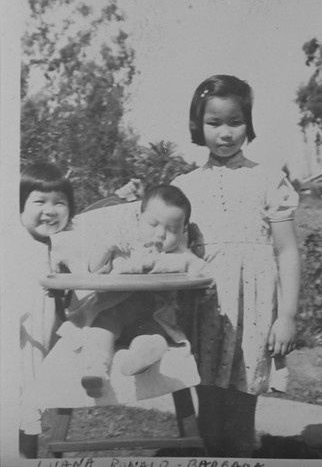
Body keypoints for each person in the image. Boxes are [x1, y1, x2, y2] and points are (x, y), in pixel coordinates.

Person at [171, 74, 301, 457]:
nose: (225, 133)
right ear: (198, 125)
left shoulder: (268, 180)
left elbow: (287, 251)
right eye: (214, 123)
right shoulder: (185, 185)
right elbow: (168, 248)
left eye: (235, 122)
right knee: (208, 412)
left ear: (249, 123)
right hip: (205, 310)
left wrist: (288, 316)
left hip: (255, 312)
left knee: (243, 417)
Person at [60, 184, 207, 398]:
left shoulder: (180, 254)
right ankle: (96, 371)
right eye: (153, 224)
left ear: (184, 230)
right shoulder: (124, 245)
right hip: (112, 309)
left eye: (172, 229)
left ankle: (139, 358)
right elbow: (92, 269)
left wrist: (180, 264)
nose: (160, 234)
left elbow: (201, 271)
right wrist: (107, 248)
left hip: (152, 316)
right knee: (98, 331)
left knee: (153, 337)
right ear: (139, 218)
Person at [18, 161, 75, 458]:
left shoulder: (62, 246)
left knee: (32, 412)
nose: (50, 210)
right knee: (21, 407)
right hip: (21, 340)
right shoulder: (16, 244)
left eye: (59, 203)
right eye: (39, 201)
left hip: (45, 339)